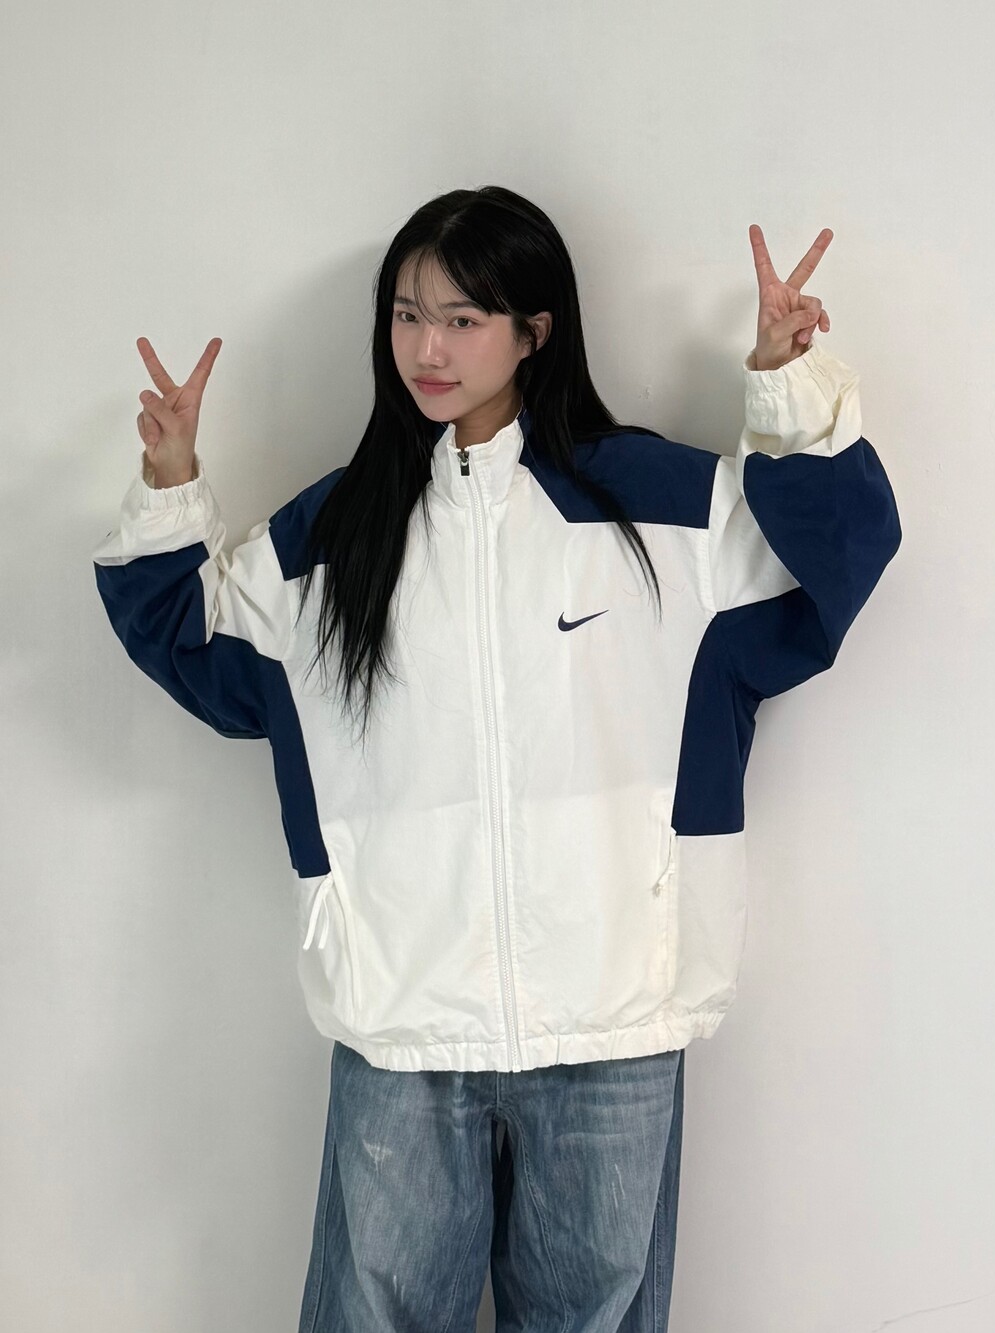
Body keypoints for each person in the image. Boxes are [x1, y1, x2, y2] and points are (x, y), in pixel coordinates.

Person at [92, 186, 901, 1331]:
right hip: (402, 1019)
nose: (427, 348)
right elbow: (188, 637)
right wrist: (173, 483)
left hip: (615, 1016)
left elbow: (836, 557)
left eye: (463, 318)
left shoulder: (662, 509)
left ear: (535, 330)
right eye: (407, 315)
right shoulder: (335, 539)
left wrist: (785, 384)